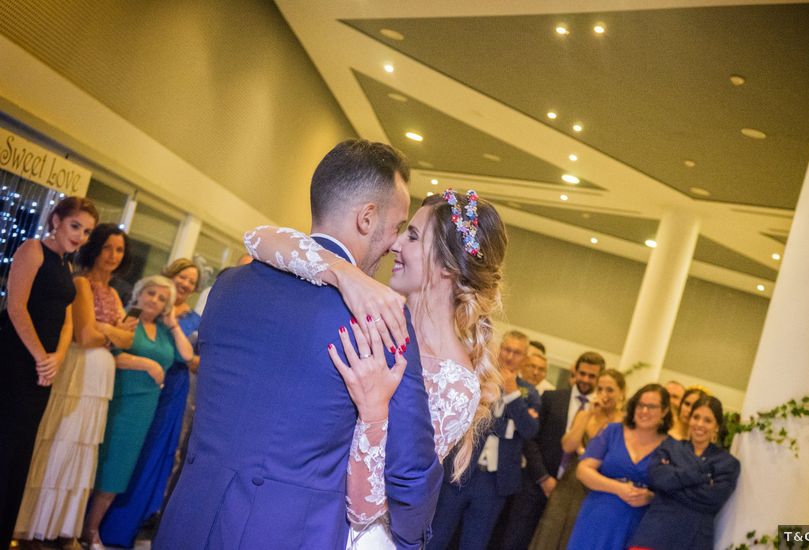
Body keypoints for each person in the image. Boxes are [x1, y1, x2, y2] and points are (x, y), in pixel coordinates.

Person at [155, 139, 441, 550]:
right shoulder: (381, 322)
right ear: (366, 218)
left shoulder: (228, 286)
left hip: (187, 518)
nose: (395, 243)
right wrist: (409, 541)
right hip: (290, 533)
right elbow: (409, 470)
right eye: (396, 227)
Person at [245, 187, 508, 548]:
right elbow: (257, 239)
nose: (395, 244)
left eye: (413, 236)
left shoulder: (456, 384)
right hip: (290, 503)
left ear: (447, 266)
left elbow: (369, 509)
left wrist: (374, 413)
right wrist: (342, 273)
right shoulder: (376, 309)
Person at [15, 223, 136, 543]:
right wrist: (113, 331)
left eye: (119, 249)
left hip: (100, 381)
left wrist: (107, 331)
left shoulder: (113, 292)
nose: (113, 255)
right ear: (95, 247)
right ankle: (34, 525)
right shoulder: (80, 283)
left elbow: (128, 337)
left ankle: (59, 527)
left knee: (81, 449)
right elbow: (85, 336)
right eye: (108, 247)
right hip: (78, 372)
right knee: (59, 442)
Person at [0, 196, 98, 548]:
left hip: (43, 368)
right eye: (76, 226)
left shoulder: (65, 265)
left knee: (21, 450)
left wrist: (56, 357)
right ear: (56, 220)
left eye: (86, 231)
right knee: (4, 445)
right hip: (13, 361)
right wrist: (41, 356)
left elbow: (68, 320)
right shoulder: (32, 249)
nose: (81, 236)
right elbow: (15, 307)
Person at [83, 275, 194, 549]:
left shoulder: (165, 331)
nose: (154, 301)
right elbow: (111, 355)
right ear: (140, 293)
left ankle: (91, 530)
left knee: (120, 471)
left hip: (145, 411)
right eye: (151, 294)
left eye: (161, 298)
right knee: (99, 466)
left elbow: (188, 355)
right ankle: (77, 527)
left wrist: (173, 323)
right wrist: (146, 364)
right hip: (119, 402)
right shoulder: (128, 320)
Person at [429, 331, 541, 550]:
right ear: (499, 349)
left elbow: (529, 430)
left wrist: (512, 395)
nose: (510, 356)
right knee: (437, 536)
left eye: (517, 353)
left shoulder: (529, 392)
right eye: (507, 349)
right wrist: (509, 426)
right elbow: (466, 416)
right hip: (460, 471)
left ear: (524, 357)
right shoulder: (479, 376)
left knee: (475, 543)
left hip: (495, 482)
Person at [495, 351, 605, 550]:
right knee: (514, 541)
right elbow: (530, 439)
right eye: (582, 373)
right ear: (575, 371)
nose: (586, 379)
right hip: (536, 483)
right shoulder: (552, 397)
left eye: (592, 376)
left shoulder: (601, 413)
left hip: (571, 494)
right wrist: (544, 478)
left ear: (599, 377)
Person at [566, 383, 671, 550]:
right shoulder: (613, 432)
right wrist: (619, 488)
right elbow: (583, 470)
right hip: (598, 515)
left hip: (637, 524)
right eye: (640, 405)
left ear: (664, 411)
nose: (644, 411)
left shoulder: (671, 448)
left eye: (651, 407)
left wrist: (650, 497)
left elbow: (671, 493)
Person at [628, 395, 741, 550]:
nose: (700, 424)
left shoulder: (728, 463)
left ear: (717, 426)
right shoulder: (669, 447)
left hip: (694, 539)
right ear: (689, 419)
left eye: (708, 420)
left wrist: (672, 485)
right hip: (654, 535)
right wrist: (703, 476)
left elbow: (713, 498)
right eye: (696, 417)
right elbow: (658, 479)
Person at [530, 369, 626, 550]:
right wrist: (588, 414)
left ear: (622, 392)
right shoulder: (585, 414)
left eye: (610, 390)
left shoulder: (623, 424)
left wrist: (587, 453)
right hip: (569, 483)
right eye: (600, 389)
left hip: (597, 485)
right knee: (551, 533)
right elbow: (568, 446)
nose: (604, 395)